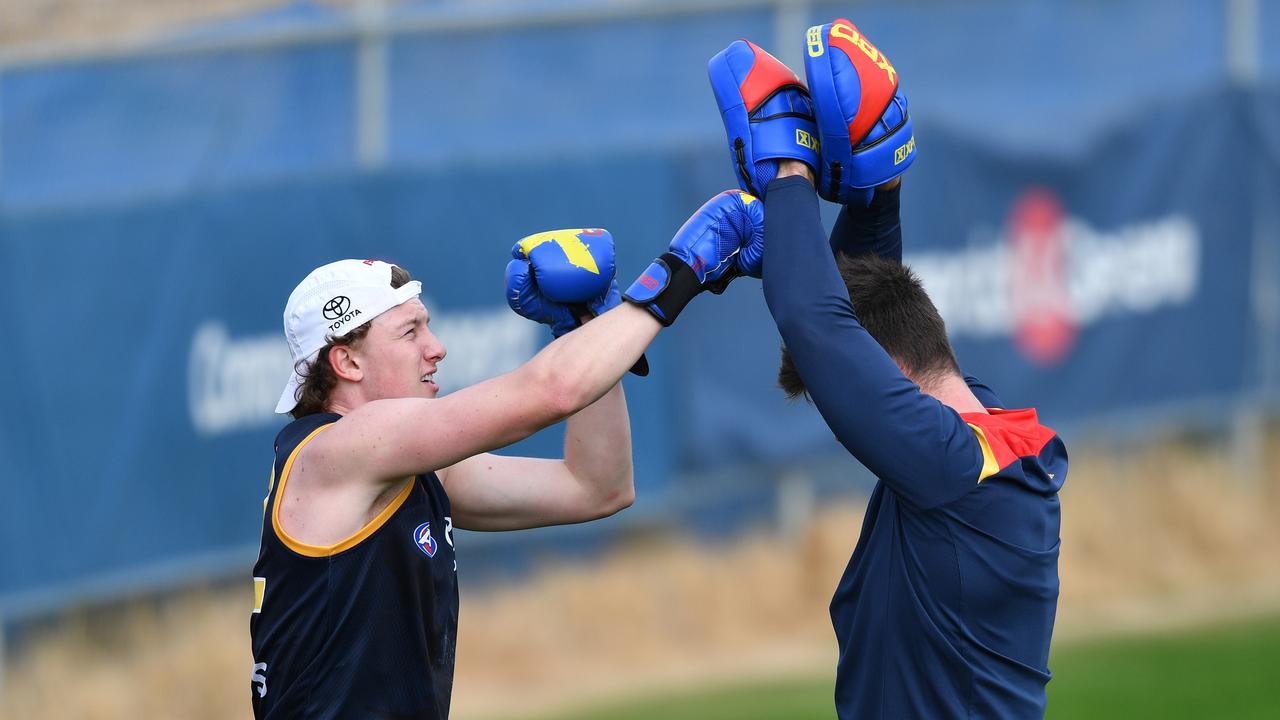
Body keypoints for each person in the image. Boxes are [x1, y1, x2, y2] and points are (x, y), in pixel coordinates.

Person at [249, 192, 763, 719]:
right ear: (348, 361)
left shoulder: (399, 471)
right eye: (410, 332)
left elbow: (598, 486)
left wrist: (583, 323)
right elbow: (550, 391)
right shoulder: (345, 446)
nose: (437, 347)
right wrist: (681, 270)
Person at [710, 21, 1067, 719]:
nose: (847, 404)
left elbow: (821, 329)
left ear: (891, 375)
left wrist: (790, 177)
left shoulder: (951, 467)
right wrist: (879, 186)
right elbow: (853, 310)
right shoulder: (986, 442)